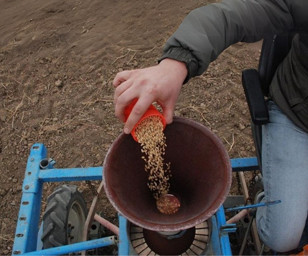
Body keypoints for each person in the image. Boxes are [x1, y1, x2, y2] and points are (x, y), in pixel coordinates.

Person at [113, 0, 308, 252]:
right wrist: (177, 62)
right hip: (297, 113)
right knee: (282, 239)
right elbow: (231, 17)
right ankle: (268, 204)